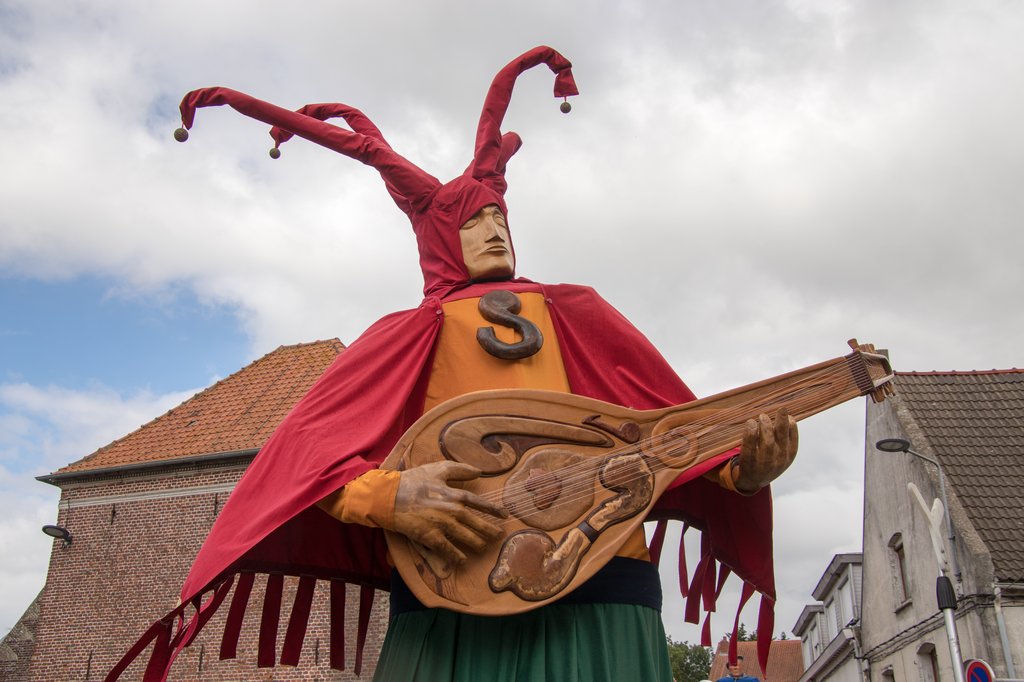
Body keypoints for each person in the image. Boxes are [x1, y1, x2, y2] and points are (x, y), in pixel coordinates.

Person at [109, 46, 796, 681]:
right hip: (449, 601)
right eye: (472, 221)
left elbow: (666, 438)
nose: (494, 228)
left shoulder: (580, 313)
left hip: (602, 597)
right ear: (439, 235)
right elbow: (305, 458)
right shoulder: (408, 335)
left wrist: (741, 470)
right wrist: (388, 495)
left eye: (498, 216)